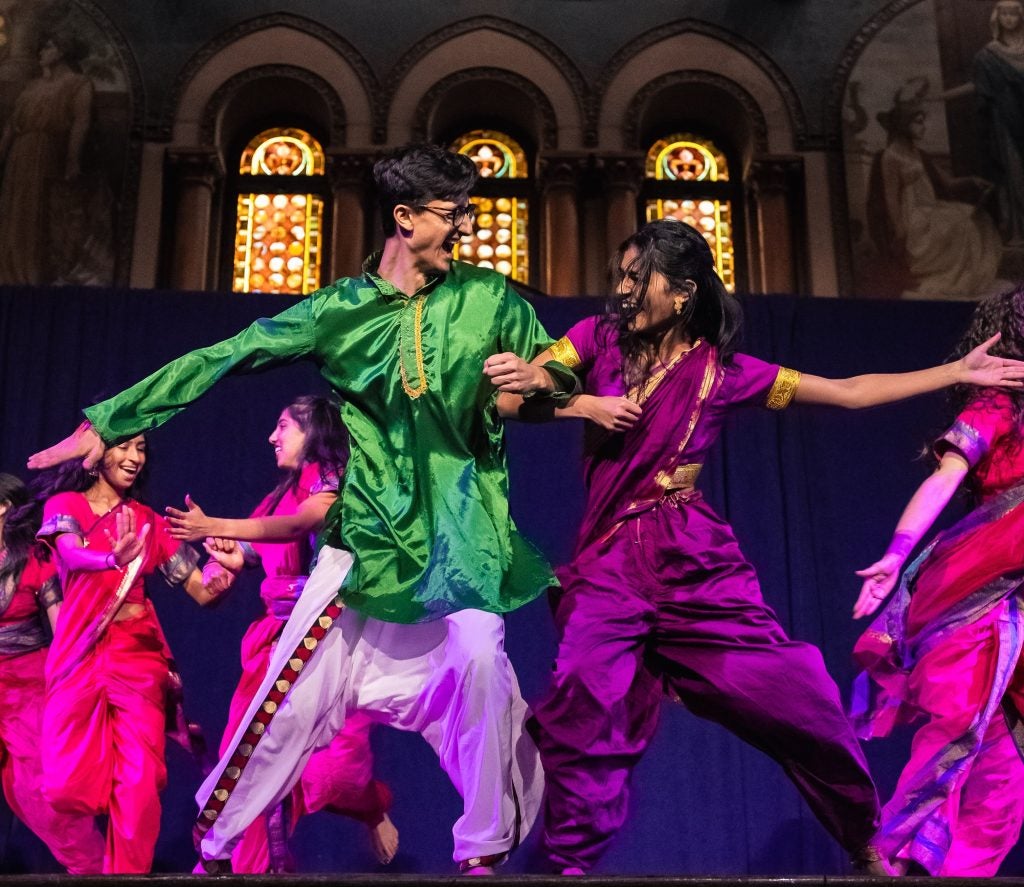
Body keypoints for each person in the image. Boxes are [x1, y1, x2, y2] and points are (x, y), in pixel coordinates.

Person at [28, 142, 578, 874]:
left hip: (460, 543)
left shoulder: (489, 300)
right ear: (406, 218)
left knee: (482, 666)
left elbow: (562, 364)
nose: (467, 230)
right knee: (286, 707)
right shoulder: (339, 312)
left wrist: (543, 372)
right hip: (366, 547)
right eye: (454, 216)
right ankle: (218, 846)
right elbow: (226, 354)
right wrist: (118, 412)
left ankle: (480, 856)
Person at [495, 219, 1024, 875]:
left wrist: (954, 369)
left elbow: (850, 392)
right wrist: (584, 408)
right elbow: (510, 398)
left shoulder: (725, 373)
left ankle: (864, 836)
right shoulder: (593, 341)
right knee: (583, 696)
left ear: (683, 291)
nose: (623, 290)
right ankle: (566, 862)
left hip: (691, 562)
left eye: (638, 277)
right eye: (620, 277)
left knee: (797, 694)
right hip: (609, 562)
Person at [165, 395, 398, 872]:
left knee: (331, 775)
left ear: (314, 432)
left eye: (284, 426)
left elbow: (299, 525)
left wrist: (218, 524)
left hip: (326, 641)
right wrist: (233, 557)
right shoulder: (279, 493)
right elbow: (260, 547)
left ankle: (371, 805)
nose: (273, 437)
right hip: (272, 644)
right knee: (249, 763)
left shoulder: (337, 483)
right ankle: (243, 866)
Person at [851, 286, 1024, 876]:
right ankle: (889, 843)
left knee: (1008, 766)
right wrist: (896, 555)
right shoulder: (997, 408)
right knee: (958, 724)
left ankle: (955, 869)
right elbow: (946, 479)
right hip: (980, 597)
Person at [35, 435, 237, 873]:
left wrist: (222, 577)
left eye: (141, 448)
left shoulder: (147, 520)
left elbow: (201, 591)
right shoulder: (65, 504)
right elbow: (71, 553)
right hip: (79, 653)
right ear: (94, 453)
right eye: (124, 446)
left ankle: (127, 877)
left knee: (139, 784)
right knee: (64, 786)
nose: (134, 458)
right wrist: (111, 558)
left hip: (136, 657)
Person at [0, 473, 104, 873]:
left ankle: (94, 873)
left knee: (37, 791)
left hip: (26, 686)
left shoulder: (34, 560)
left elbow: (63, 631)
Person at [867, 77, 1001, 299]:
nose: (923, 126)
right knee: (959, 224)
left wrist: (972, 180)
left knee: (972, 218)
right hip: (914, 216)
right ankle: (947, 274)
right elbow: (891, 197)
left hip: (931, 209)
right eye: (917, 121)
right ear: (904, 123)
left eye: (923, 121)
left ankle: (967, 277)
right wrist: (900, 231)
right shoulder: (890, 156)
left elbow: (947, 183)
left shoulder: (919, 153)